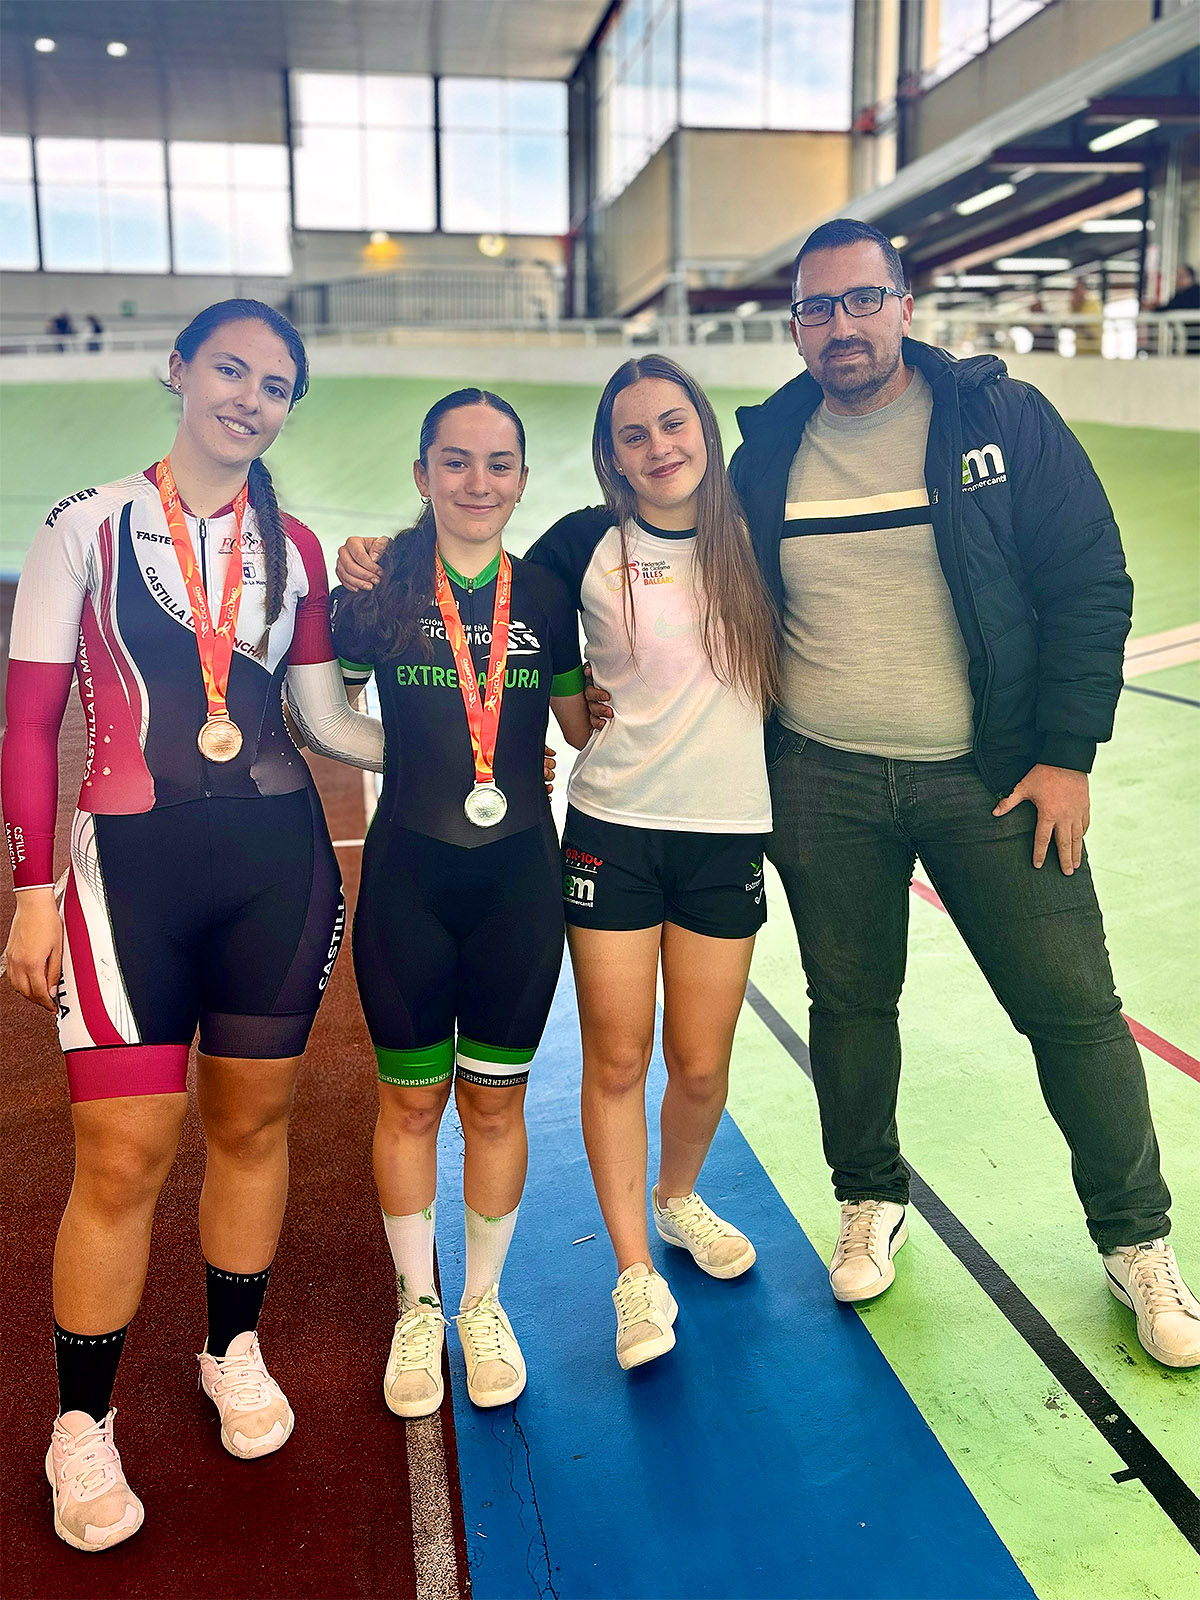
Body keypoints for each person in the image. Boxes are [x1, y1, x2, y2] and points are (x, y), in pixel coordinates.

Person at [726, 217, 1198, 1369]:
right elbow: (698, 579)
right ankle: (869, 1197)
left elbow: (1091, 581)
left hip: (995, 781)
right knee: (850, 1002)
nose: (840, 325)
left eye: (861, 299)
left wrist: (1067, 755)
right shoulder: (769, 448)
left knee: (1073, 1008)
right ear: (796, 327)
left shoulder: (999, 418)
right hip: (823, 777)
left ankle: (1136, 1242)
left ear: (904, 304)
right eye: (817, 308)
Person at [2, 298, 383, 1553]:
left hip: (280, 875)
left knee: (253, 1125)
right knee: (121, 1155)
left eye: (275, 385)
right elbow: (30, 723)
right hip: (127, 883)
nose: (249, 398)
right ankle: (81, 1422)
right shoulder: (85, 524)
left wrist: (459, 741)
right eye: (230, 369)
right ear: (180, 369)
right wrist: (33, 891)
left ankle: (232, 1346)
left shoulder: (300, 549)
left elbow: (328, 722)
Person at [337, 355, 780, 1372]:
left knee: (694, 1065)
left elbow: (558, 690)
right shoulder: (574, 546)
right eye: (633, 433)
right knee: (578, 1068)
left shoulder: (752, 529)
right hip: (593, 834)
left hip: (710, 835)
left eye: (673, 423)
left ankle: (661, 1209)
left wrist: (534, 737)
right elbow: (441, 640)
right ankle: (590, 1280)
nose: (658, 446)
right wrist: (376, 565)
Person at [330, 389, 591, 1418]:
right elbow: (322, 714)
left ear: (521, 479)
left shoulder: (549, 595)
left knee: (495, 1103)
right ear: (422, 474)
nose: (478, 482)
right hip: (409, 880)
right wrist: (409, 754)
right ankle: (417, 1304)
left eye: (499, 463)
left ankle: (480, 1303)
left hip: (518, 885)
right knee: (408, 1101)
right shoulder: (381, 588)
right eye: (455, 461)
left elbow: (581, 723)